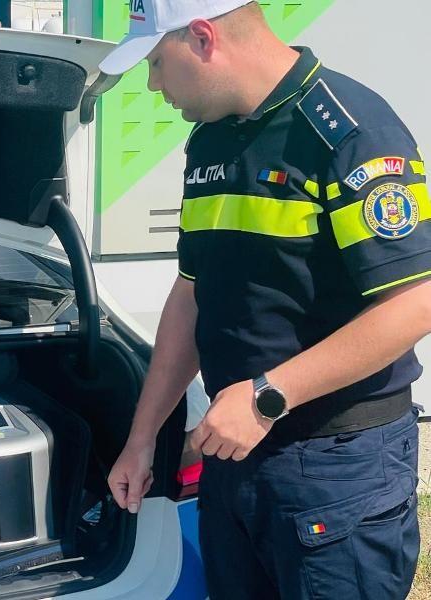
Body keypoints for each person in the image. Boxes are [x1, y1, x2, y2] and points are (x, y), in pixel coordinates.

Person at [98, 1, 429, 598]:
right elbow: (192, 292)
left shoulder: (346, 130)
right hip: (233, 454)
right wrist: (143, 437)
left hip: (338, 466)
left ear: (203, 38)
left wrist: (266, 397)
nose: (152, 86)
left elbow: (416, 301)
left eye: (156, 63)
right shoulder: (210, 140)